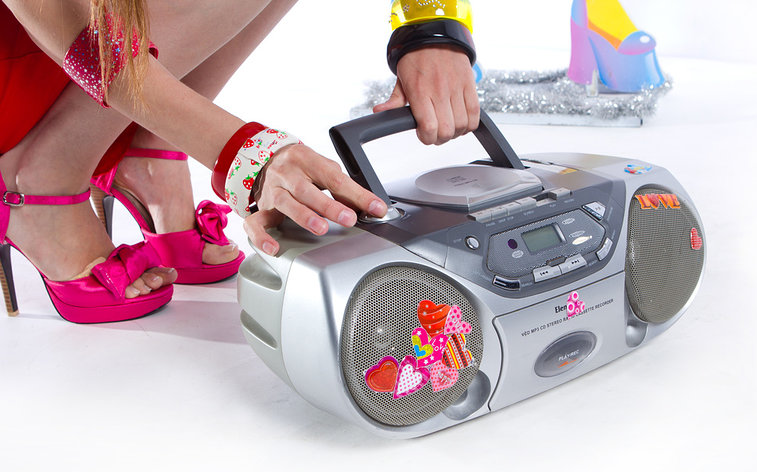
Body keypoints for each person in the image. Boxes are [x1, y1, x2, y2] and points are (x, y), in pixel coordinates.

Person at [0, 0, 479, 323]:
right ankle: (41, 172)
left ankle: (147, 144)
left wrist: (429, 28)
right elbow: (74, 27)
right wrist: (242, 153)